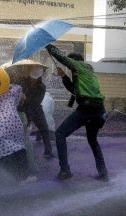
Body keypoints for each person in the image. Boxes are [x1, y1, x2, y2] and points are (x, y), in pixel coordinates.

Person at [45, 44, 109, 182]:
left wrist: (48, 45)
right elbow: (74, 91)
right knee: (93, 140)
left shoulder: (80, 65)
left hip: (87, 108)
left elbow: (61, 57)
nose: (69, 67)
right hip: (99, 109)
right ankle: (103, 173)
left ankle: (65, 170)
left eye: (70, 65)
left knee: (60, 134)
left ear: (75, 61)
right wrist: (64, 76)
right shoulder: (86, 73)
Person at [17, 67, 54, 158]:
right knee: (23, 130)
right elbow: (16, 92)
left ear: (38, 78)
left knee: (44, 129)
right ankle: (20, 150)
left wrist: (26, 97)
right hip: (24, 109)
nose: (32, 79)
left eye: (35, 78)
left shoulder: (42, 87)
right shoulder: (22, 82)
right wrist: (21, 95)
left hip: (36, 109)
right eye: (31, 77)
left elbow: (37, 101)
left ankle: (48, 151)